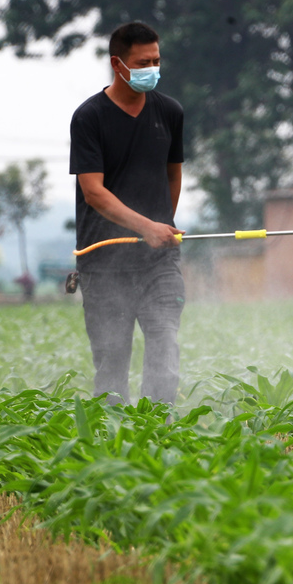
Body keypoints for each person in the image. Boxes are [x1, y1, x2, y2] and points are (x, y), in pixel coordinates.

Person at [70, 21, 186, 405]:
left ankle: (158, 439)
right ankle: (113, 449)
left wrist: (162, 227)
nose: (152, 68)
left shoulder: (169, 112)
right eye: (142, 62)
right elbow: (94, 193)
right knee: (112, 368)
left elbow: (173, 174)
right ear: (117, 64)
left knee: (166, 357)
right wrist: (145, 226)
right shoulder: (89, 118)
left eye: (156, 59)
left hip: (159, 263)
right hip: (103, 263)